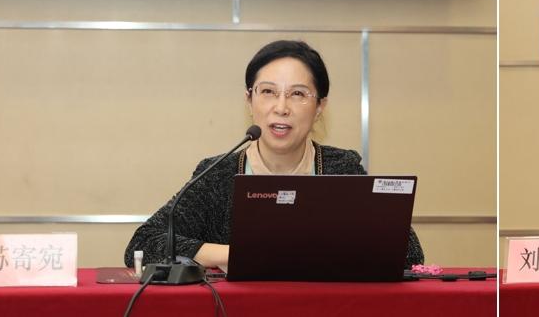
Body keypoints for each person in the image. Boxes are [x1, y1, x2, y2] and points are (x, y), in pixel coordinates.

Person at [124, 40, 423, 270]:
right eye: (268, 92)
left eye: (298, 94)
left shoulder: (341, 168)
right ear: (249, 99)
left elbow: (408, 253)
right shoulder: (219, 174)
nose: (281, 107)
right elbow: (144, 243)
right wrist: (236, 254)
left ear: (320, 107)